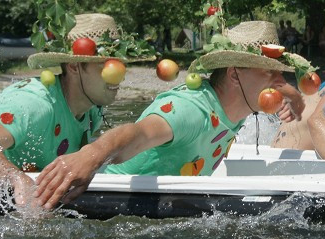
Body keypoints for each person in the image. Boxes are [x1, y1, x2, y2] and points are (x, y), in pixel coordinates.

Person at [33, 21, 308, 210]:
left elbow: (284, 90)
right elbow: (138, 133)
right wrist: (88, 157)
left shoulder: (237, 103)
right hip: (98, 198)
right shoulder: (191, 109)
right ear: (235, 74)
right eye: (269, 71)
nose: (278, 80)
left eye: (279, 72)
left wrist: (294, 96)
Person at [0, 13, 155, 209]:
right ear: (75, 67)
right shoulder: (33, 104)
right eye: (106, 65)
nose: (118, 76)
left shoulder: (92, 110)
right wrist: (17, 180)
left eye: (120, 65)